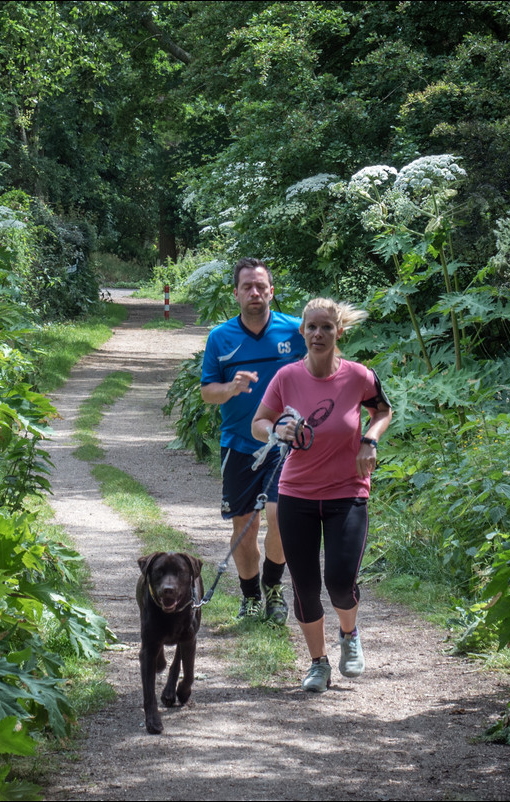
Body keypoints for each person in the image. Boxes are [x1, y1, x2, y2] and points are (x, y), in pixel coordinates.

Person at [250, 297, 392, 692]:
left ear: (338, 332)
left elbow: (383, 411)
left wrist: (369, 440)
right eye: (311, 327)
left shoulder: (359, 376)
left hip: (348, 492)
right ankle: (317, 664)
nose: (318, 334)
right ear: (302, 332)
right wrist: (276, 428)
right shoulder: (286, 378)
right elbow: (258, 422)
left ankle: (349, 635)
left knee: (341, 581)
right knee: (305, 585)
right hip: (296, 494)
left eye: (326, 327)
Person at [200, 258, 306, 623]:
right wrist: (230, 388)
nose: (255, 293)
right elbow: (207, 393)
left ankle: (274, 587)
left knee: (281, 518)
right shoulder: (220, 338)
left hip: (284, 447)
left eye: (261, 286)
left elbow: (323, 369)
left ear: (272, 291)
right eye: (247, 286)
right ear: (236, 294)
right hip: (239, 446)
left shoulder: (296, 332)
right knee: (244, 529)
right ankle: (250, 596)